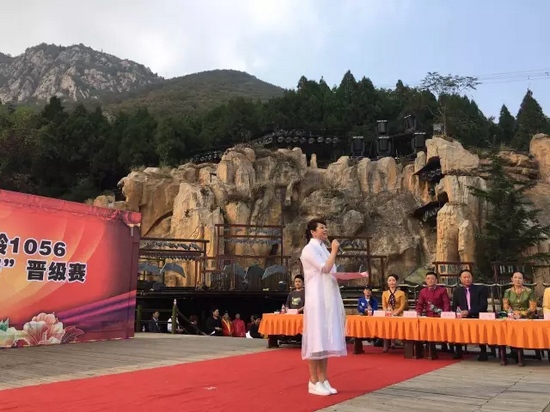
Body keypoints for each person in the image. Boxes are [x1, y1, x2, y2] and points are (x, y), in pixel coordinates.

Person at [300, 218, 367, 396]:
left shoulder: (323, 248)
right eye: (322, 227)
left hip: (328, 297)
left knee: (324, 339)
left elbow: (332, 272)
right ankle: (313, 381)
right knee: (316, 339)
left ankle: (323, 379)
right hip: (317, 298)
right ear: (313, 232)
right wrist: (335, 251)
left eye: (326, 227)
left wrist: (351, 275)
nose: (326, 230)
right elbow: (325, 268)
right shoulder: (309, 249)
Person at [451, 269, 488, 361]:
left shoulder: (480, 289)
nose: (467, 279)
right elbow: (454, 306)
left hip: (477, 315)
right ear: (460, 279)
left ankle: (483, 352)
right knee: (456, 326)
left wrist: (469, 312)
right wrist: (460, 313)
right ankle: (458, 351)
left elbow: (483, 305)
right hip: (462, 317)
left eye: (469, 277)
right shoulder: (457, 291)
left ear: (472, 278)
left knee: (480, 328)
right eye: (464, 277)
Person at [501, 271, 537, 366]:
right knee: (508, 326)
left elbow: (533, 307)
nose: (517, 280)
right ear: (512, 279)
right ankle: (514, 351)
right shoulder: (507, 292)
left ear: (523, 280)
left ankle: (519, 354)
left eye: (520, 278)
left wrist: (521, 314)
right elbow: (505, 306)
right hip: (512, 316)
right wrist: (512, 313)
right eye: (515, 277)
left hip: (526, 317)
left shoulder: (529, 291)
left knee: (519, 327)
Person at [416, 271, 451, 357]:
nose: (430, 280)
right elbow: (420, 304)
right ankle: (426, 348)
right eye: (428, 279)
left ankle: (444, 344)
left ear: (436, 280)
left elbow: (446, 303)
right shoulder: (423, 291)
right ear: (425, 280)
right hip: (428, 315)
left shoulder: (442, 290)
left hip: (440, 315)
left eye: (432, 279)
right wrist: (418, 313)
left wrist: (445, 314)